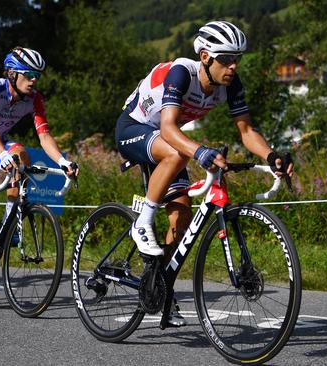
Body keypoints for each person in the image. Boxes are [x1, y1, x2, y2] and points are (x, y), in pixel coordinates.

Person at [115, 21, 294, 326]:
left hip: (168, 140)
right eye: (226, 59)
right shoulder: (181, 72)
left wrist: (271, 155)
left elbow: (247, 131)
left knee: (181, 218)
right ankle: (141, 224)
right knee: (176, 152)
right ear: (205, 57)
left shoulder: (230, 84)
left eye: (237, 58)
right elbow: (168, 127)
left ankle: (160, 289)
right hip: (135, 130)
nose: (233, 66)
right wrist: (199, 151)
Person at [0, 47, 79, 292]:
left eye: (38, 76)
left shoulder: (34, 99)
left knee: (23, 156)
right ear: (12, 73)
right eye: (29, 74)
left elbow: (44, 136)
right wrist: (2, 154)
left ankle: (9, 220)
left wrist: (63, 162)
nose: (34, 80)